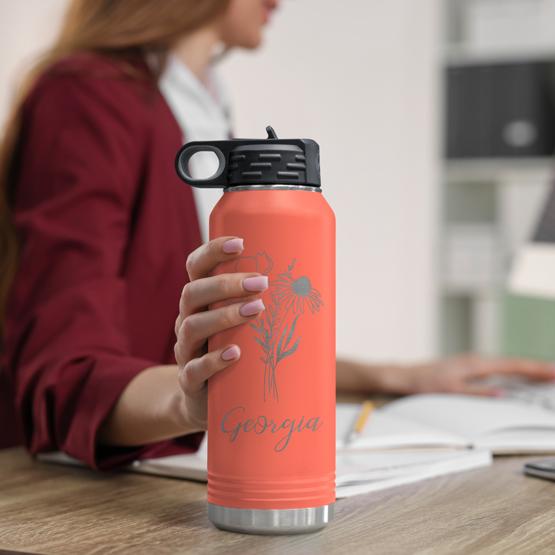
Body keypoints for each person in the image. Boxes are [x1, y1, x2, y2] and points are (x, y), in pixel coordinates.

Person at [1, 0, 554, 467]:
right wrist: (193, 405)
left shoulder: (202, 106)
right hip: (77, 501)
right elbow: (63, 376)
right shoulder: (86, 97)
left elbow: (207, 350)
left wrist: (395, 375)